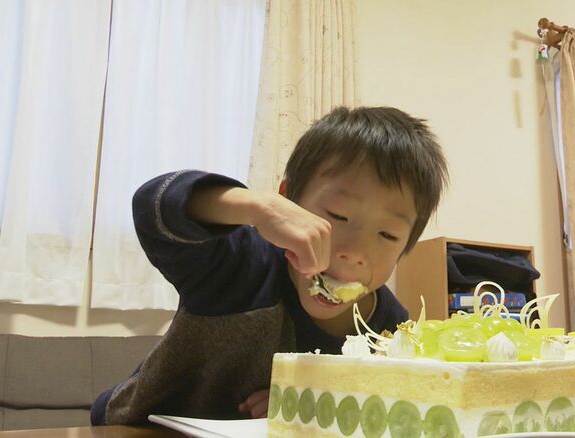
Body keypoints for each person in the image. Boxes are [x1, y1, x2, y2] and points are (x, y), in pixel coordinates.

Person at [90, 106, 449, 425]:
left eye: (387, 235)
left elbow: (386, 404)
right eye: (338, 215)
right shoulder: (241, 265)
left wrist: (307, 397)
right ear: (287, 201)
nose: (356, 252)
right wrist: (254, 208)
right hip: (137, 426)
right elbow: (153, 207)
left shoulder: (389, 329)